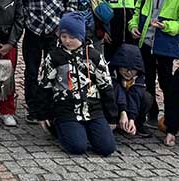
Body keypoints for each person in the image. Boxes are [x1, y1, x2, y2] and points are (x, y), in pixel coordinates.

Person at [31, 12, 117, 157]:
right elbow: (44, 86)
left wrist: (112, 116)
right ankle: (60, 128)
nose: (68, 41)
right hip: (67, 109)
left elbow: (106, 86)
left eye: (72, 37)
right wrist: (42, 114)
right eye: (64, 37)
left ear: (81, 36)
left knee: (106, 148)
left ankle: (89, 131)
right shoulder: (54, 57)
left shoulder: (94, 56)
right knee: (77, 147)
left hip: (92, 108)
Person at [14, 0, 77, 122]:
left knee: (53, 70)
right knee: (31, 70)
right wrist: (26, 19)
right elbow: (18, 2)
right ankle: (33, 108)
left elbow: (71, 3)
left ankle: (51, 105)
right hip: (33, 32)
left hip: (54, 34)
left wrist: (62, 26)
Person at [107, 43, 152, 137]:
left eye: (133, 69)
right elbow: (118, 92)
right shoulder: (111, 74)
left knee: (147, 97)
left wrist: (131, 118)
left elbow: (135, 95)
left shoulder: (139, 77)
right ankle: (113, 121)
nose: (129, 72)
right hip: (116, 108)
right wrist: (123, 112)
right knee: (111, 93)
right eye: (125, 68)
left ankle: (136, 123)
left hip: (132, 108)